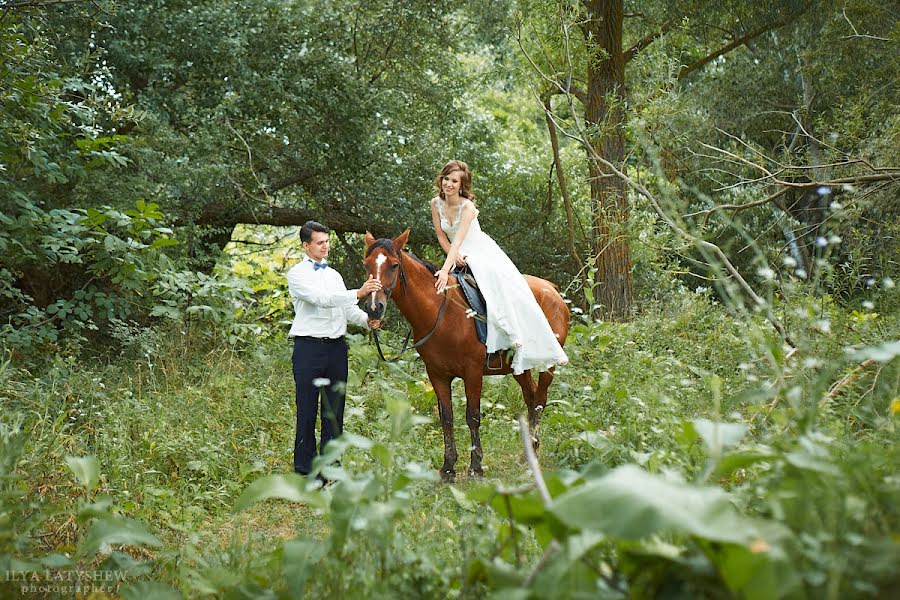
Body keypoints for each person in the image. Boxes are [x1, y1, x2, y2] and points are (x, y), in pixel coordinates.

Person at [431, 160, 568, 375]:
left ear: (461, 185)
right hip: (456, 252)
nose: (448, 184)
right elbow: (441, 235)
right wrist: (453, 257)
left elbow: (459, 240)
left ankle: (514, 336)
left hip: (478, 250)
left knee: (494, 287)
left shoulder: (467, 207)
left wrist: (445, 269)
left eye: (454, 181)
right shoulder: (436, 204)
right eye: (446, 179)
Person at [286, 220, 382, 479]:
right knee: (307, 410)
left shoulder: (335, 275)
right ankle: (306, 471)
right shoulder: (296, 275)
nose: (325, 246)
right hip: (308, 348)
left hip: (336, 349)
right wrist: (359, 292)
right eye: (320, 242)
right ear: (306, 246)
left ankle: (331, 469)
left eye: (327, 241)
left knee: (334, 411)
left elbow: (347, 310)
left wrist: (367, 321)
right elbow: (321, 300)